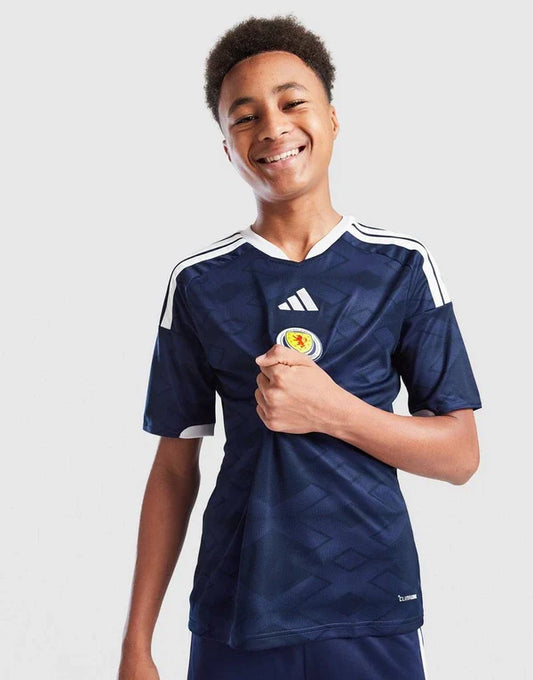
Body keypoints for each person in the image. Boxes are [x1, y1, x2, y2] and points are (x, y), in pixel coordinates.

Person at [118, 13, 482, 680]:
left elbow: (460, 454)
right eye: (244, 116)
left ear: (332, 120)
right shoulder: (199, 283)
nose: (272, 127)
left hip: (371, 606)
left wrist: (332, 411)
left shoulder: (400, 267)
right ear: (227, 148)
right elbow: (173, 467)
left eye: (291, 103)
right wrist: (135, 645)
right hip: (237, 606)